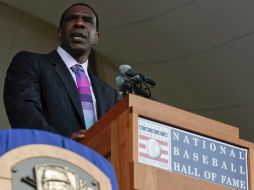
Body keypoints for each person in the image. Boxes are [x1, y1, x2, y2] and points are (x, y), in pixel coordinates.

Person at [3, 3, 119, 141]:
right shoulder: (30, 63)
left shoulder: (110, 95)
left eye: (87, 20)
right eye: (72, 18)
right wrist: (63, 145)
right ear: (59, 33)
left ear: (97, 38)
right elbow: (24, 114)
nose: (79, 23)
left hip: (97, 161)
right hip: (50, 160)